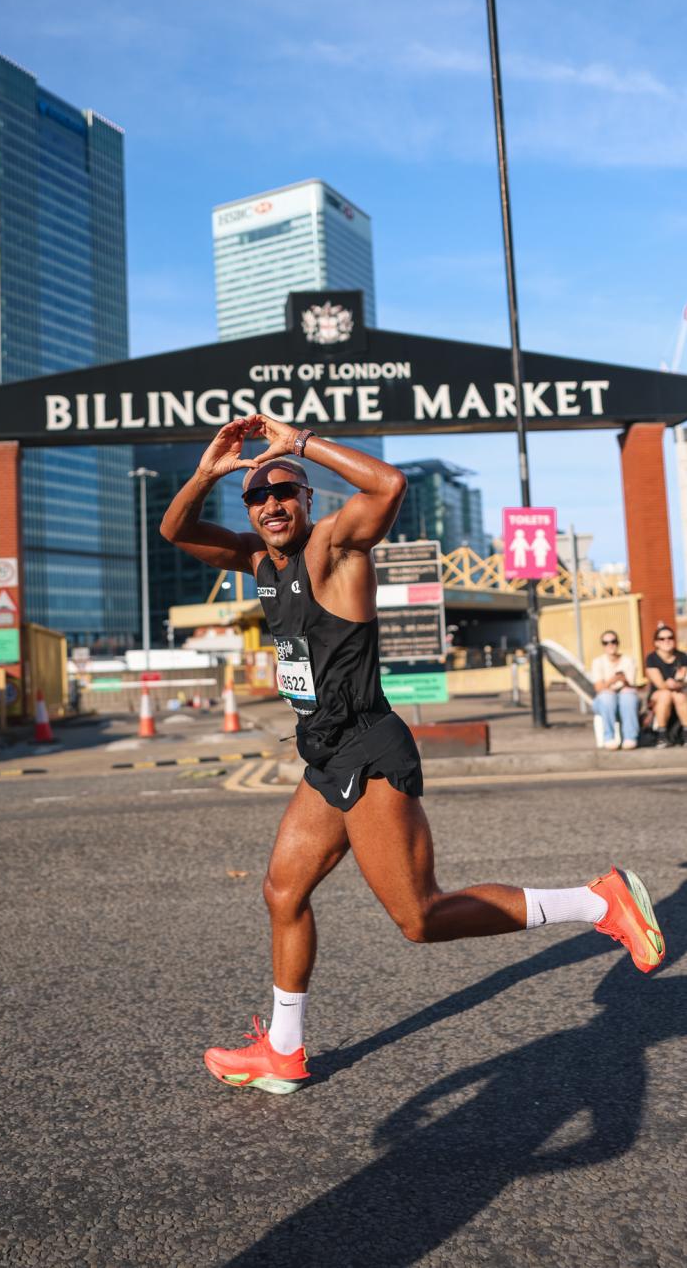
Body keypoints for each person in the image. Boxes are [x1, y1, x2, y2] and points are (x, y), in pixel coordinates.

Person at [160, 415, 666, 1095]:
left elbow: (389, 483)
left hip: (369, 748)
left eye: (286, 492)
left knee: (420, 917)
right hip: (326, 755)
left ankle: (599, 901)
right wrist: (208, 470)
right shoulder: (259, 563)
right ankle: (283, 1048)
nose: (273, 505)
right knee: (283, 890)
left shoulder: (335, 548)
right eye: (258, 497)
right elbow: (176, 532)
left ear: (307, 499)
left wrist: (298, 443)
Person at [590, 631, 639, 750]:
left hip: (624, 698)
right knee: (607, 696)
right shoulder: (598, 662)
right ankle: (609, 738)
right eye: (606, 643)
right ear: (602, 645)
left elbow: (630, 686)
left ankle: (630, 737)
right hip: (603, 701)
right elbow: (598, 688)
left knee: (627, 695)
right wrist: (612, 680)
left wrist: (624, 680)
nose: (610, 645)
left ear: (618, 643)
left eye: (613, 641)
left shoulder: (628, 660)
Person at [644, 624, 687, 748]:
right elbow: (660, 685)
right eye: (662, 639)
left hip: (679, 694)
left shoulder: (682, 656)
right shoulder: (652, 658)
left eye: (670, 637)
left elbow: (684, 679)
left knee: (678, 696)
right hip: (658, 695)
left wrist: (678, 683)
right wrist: (672, 684)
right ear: (656, 642)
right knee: (666, 694)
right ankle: (661, 735)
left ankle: (685, 733)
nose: (667, 641)